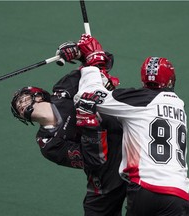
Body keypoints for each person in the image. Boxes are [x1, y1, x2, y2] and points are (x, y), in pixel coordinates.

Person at [71, 34, 189, 215]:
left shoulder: (139, 100)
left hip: (146, 189)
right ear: (170, 81)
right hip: (179, 195)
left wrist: (93, 62)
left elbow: (88, 96)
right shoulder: (179, 106)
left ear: (144, 80)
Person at [10, 42, 126, 215]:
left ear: (40, 95)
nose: (20, 103)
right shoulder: (48, 144)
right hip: (105, 180)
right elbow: (94, 159)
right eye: (18, 106)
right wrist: (88, 120)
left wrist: (79, 53)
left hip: (133, 152)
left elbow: (103, 60)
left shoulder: (63, 90)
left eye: (24, 98)